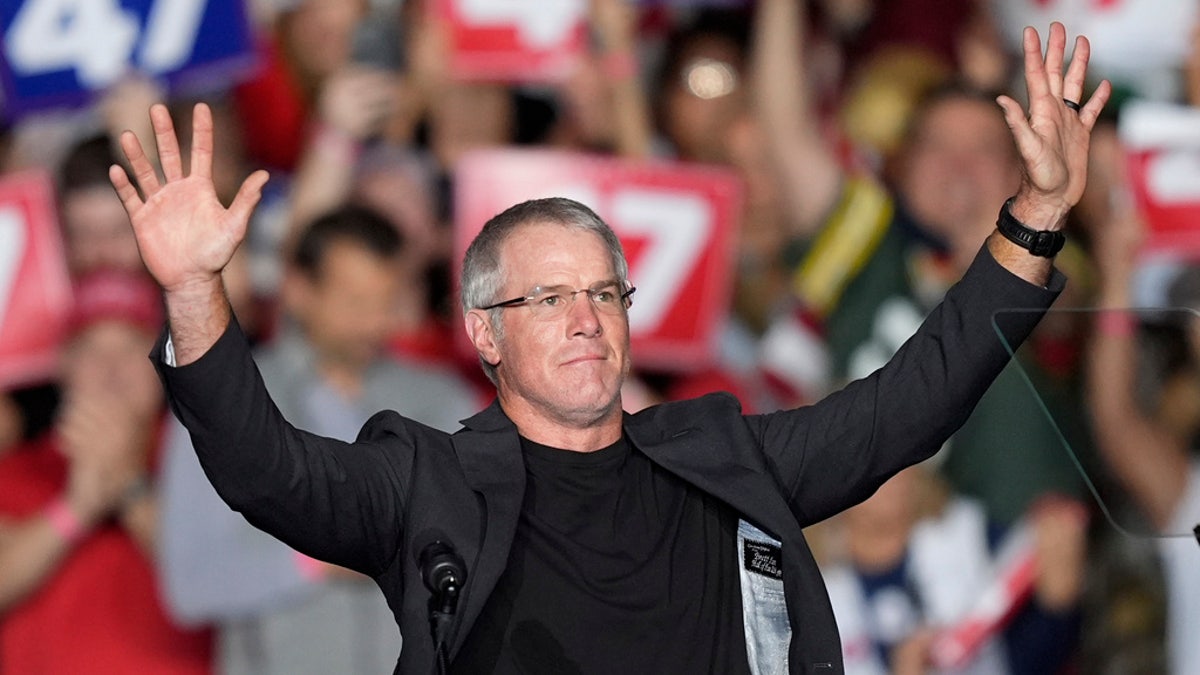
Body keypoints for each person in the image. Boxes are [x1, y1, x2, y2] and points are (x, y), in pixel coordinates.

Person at [110, 22, 1108, 674]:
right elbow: (262, 470)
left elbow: (912, 401)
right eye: (550, 296)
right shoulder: (425, 482)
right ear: (485, 333)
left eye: (604, 291)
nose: (587, 315)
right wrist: (197, 293)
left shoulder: (724, 460)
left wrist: (1037, 214)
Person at [156, 204, 480, 675]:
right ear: (299, 290)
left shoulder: (440, 399)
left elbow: (492, 543)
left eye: (386, 302)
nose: (375, 322)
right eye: (355, 302)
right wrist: (321, 559)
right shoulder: (224, 404)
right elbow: (190, 585)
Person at [0, 270, 212, 674]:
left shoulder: (207, 460)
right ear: (62, 365)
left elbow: (226, 575)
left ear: (163, 361)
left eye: (132, 346)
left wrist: (130, 491)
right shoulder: (16, 468)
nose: (112, 369)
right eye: (91, 350)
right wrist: (75, 510)